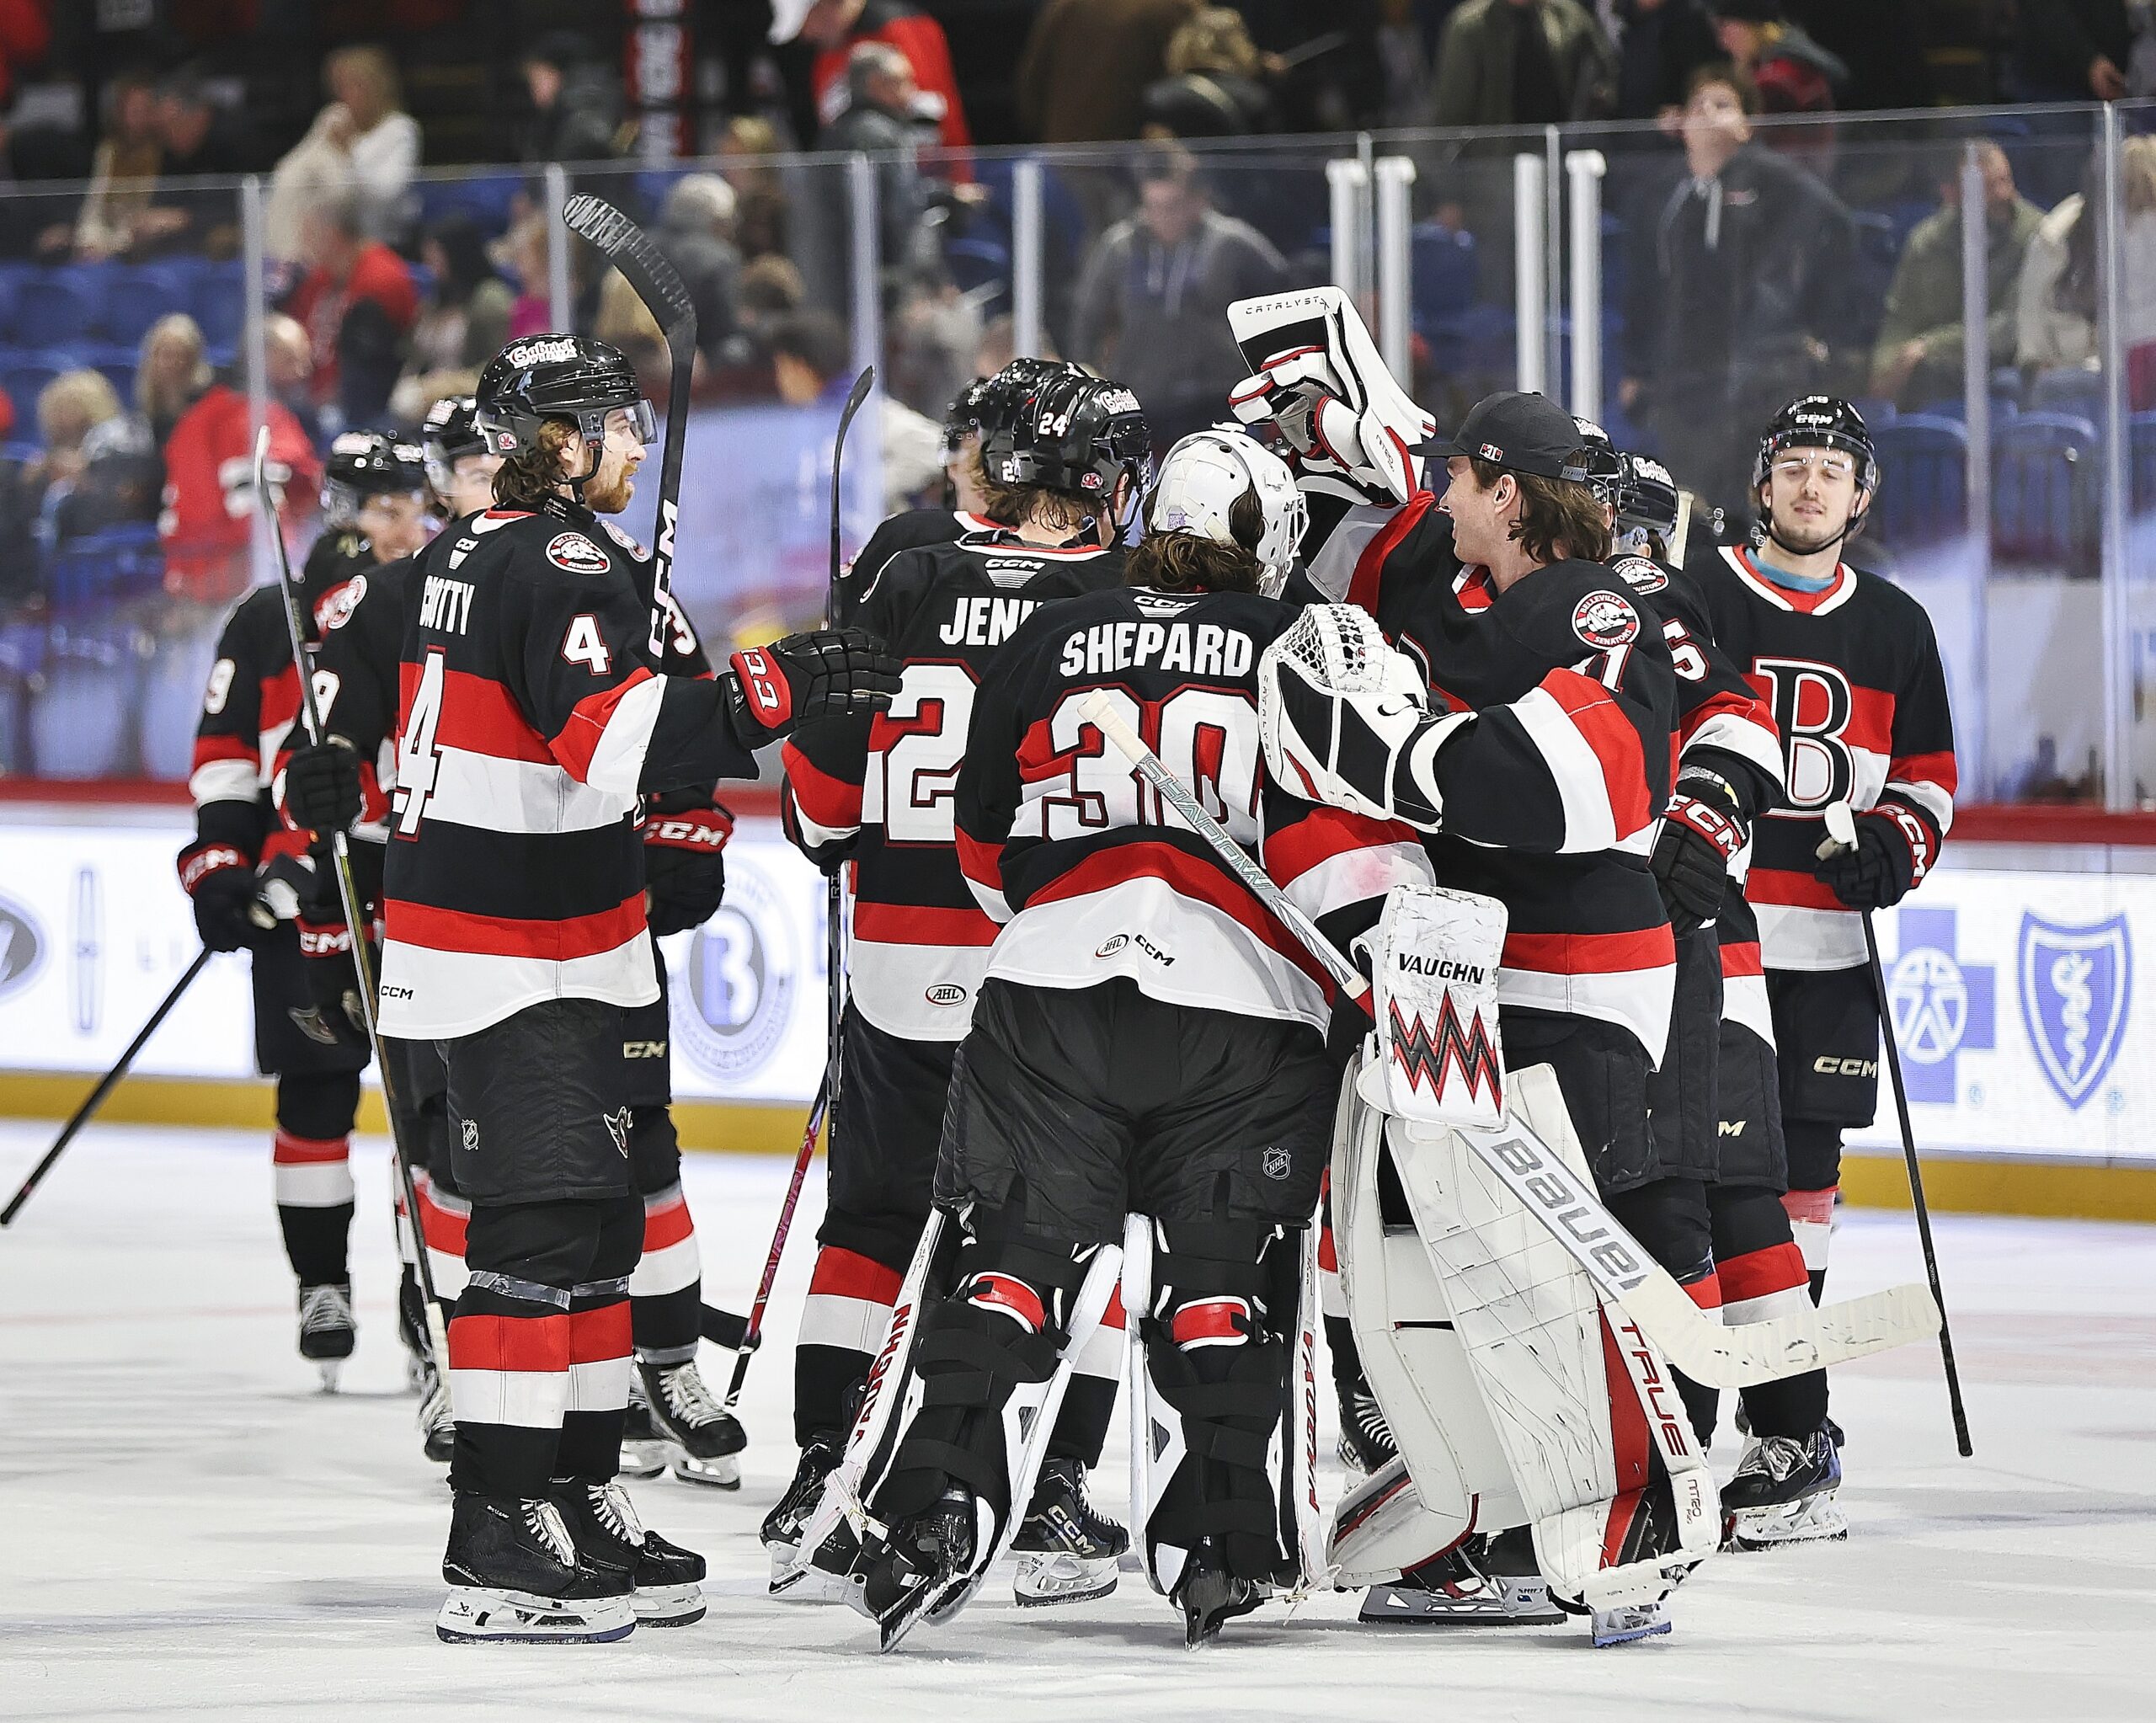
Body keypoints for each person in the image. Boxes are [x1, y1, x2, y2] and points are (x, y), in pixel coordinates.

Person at [827, 424, 1428, 1647]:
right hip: (1243, 1008)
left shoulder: (1056, 629)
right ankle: (1220, 1537)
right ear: (1270, 538)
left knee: (1007, 1266)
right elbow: (1359, 839)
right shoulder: (1298, 639)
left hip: (1047, 991)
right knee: (1222, 1286)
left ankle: (936, 1497)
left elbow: (984, 849)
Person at [358, 334, 895, 1643]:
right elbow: (626, 750)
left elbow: (434, 693)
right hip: (511, 962)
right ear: (561, 439)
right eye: (619, 425)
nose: (640, 445)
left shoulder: (457, 553)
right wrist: (788, 679)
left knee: (597, 1239)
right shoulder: (561, 558)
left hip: (530, 949)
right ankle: (496, 1533)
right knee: (538, 1245)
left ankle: (579, 1494)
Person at [1230, 301, 1705, 1625]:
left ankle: (1624, 1525)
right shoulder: (1486, 596)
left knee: (1573, 1256)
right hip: (1477, 982)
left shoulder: (1600, 604)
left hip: (1584, 978)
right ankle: (1492, 1519)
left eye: (1458, 481)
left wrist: (1392, 754)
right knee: (1463, 1262)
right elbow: (1374, 555)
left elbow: (1580, 782)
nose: (1439, 500)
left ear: (1508, 490)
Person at [280, 396, 750, 1487]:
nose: (458, 481)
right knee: (468, 1174)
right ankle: (469, 1376)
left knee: (625, 1163)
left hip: (584, 918)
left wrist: (686, 837)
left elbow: (677, 746)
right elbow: (335, 750)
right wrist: (320, 786)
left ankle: (649, 1362)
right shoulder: (410, 591)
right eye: (450, 464)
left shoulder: (600, 572)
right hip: (476, 928)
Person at [768, 366, 1148, 1609]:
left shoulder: (907, 570)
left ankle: (826, 1468)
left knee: (873, 1224)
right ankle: (1046, 1496)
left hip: (896, 963)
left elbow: (821, 809)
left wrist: (837, 821)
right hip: (1055, 974)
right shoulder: (1121, 598)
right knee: (1073, 1236)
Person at [1691, 397, 1956, 1531]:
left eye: (1830, 472)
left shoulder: (1897, 623)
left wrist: (1894, 844)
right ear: (1760, 485)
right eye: (1792, 468)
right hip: (1711, 937)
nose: (1809, 488)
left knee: (1800, 1180)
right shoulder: (1698, 595)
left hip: (1827, 950)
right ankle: (1704, 1397)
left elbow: (1932, 779)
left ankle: (1785, 1423)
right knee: (1699, 1175)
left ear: (1863, 496)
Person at [1577, 425, 1835, 1517]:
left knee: (1714, 1196)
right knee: (1716, 1195)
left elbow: (1728, 737)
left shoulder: (1637, 596)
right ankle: (1770, 1428)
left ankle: (1782, 1427)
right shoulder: (1622, 594)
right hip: (1682, 943)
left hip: (1690, 946)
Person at [177, 431, 430, 1389]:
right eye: (384, 505)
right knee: (318, 1089)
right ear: (340, 512)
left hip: (415, 881)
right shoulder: (266, 619)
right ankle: (320, 1284)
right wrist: (221, 869)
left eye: (416, 502)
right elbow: (228, 758)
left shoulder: (446, 602)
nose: (406, 521)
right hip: (304, 887)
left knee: (429, 1109)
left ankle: (425, 1294)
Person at [1619, 66, 1853, 524]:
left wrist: (1817, 326)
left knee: (1751, 500)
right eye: (1697, 106)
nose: (1707, 114)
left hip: (1757, 373)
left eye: (1723, 105)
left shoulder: (1773, 180)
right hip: (1683, 376)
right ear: (1679, 123)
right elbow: (1641, 288)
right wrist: (1637, 367)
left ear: (1747, 125)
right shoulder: (1660, 193)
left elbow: (1836, 228)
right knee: (1691, 507)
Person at [1072, 147, 1288, 446]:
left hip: (1217, 395)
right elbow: (1087, 316)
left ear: (1198, 200)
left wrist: (1272, 375)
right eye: (1153, 206)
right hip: (1141, 396)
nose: (1162, 217)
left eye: (1172, 206)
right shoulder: (1120, 247)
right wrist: (1085, 371)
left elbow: (1282, 300)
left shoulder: (1232, 244)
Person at [159, 317, 323, 606]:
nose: (304, 371)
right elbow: (262, 519)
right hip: (239, 588)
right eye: (291, 360)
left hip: (190, 583)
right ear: (263, 357)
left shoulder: (197, 416)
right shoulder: (255, 420)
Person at [1870, 141, 2042, 411]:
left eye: (2005, 180)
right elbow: (1901, 316)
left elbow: (2010, 326)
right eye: (1986, 188)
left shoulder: (2037, 236)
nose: (2003, 194)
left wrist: (1928, 346)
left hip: (2001, 366)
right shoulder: (1926, 242)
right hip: (1934, 370)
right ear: (1951, 194)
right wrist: (1884, 370)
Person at [2015, 136, 2156, 390]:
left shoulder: (2146, 226)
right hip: (2073, 367)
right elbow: (2031, 315)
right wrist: (2035, 361)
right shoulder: (2055, 236)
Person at [769, 310, 944, 511]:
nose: (780, 381)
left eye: (781, 368)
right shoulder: (819, 419)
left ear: (800, 366)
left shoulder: (862, 410)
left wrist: (861, 490)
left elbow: (935, 448)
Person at [283, 188, 420, 435]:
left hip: (361, 413)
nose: (303, 242)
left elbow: (376, 364)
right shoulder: (319, 279)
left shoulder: (382, 278)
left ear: (333, 236)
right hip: (311, 404)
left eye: (309, 233)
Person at [773, 0, 972, 154]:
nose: (807, 36)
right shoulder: (826, 55)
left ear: (826, 5)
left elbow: (936, 116)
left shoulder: (902, 30)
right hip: (857, 184)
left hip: (920, 181)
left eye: (807, 23)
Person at [1017, 0, 1202, 144]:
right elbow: (1196, 102)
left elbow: (1030, 91)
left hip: (1061, 162)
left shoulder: (1066, 6)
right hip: (1134, 170)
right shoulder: (1176, 9)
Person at [389, 215, 517, 424]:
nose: (430, 265)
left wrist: (451, 384)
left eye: (436, 256)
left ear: (456, 254)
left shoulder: (490, 300)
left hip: (469, 403)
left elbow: (500, 362)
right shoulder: (433, 301)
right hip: (425, 403)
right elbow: (412, 354)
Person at [1429, 0, 1615, 129]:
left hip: (1557, 151)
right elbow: (1451, 112)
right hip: (1493, 162)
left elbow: (1607, 74)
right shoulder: (1469, 28)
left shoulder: (1569, 18)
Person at [72, 65, 172, 261]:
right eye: (132, 108)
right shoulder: (108, 151)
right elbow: (94, 205)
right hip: (106, 243)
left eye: (144, 108)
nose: (138, 115)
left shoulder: (165, 154)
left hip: (148, 245)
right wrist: (87, 239)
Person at [654, 175, 744, 370]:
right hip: (700, 372)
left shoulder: (636, 247)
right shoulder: (720, 260)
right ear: (719, 222)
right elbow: (726, 329)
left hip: (641, 366)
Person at [520, 32, 627, 164]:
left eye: (535, 82)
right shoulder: (561, 121)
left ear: (555, 75)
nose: (533, 94)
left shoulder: (582, 129)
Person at [1612, 0, 1722, 121]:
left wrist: (1685, 113)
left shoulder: (1692, 20)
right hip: (1623, 127)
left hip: (1673, 128)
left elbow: (1707, 82)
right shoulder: (1624, 16)